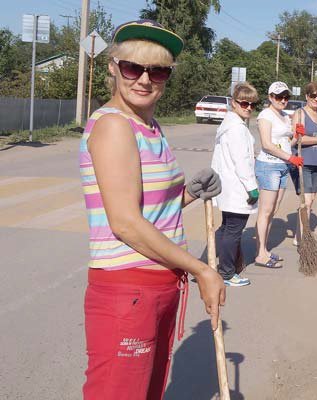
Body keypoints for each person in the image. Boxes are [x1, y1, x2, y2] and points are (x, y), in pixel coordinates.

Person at [79, 19, 225, 399]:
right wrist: (201, 269)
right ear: (113, 67)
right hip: (128, 290)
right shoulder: (114, 126)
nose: (144, 79)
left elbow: (151, 210)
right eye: (133, 67)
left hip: (159, 287)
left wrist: (191, 192)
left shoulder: (149, 125)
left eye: (157, 70)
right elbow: (126, 223)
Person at [211, 82, 260, 287]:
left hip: (229, 186)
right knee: (233, 231)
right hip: (238, 187)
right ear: (234, 103)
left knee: (226, 227)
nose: (248, 107)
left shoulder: (229, 125)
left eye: (252, 104)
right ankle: (227, 273)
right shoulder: (237, 129)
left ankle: (215, 264)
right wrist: (252, 187)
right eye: (244, 103)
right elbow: (242, 162)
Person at [254, 82, 303, 269]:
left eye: (285, 97)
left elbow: (287, 142)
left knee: (273, 211)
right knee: (265, 211)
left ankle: (264, 249)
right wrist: (291, 158)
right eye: (278, 97)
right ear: (270, 97)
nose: (283, 100)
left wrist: (297, 136)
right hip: (269, 166)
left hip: (282, 166)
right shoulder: (265, 115)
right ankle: (260, 254)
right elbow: (266, 144)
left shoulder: (285, 116)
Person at [290, 81, 317, 245]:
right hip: (304, 163)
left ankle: (300, 232)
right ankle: (302, 236)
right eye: (313, 96)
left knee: (311, 200)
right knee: (306, 201)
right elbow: (296, 140)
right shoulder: (300, 114)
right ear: (307, 96)